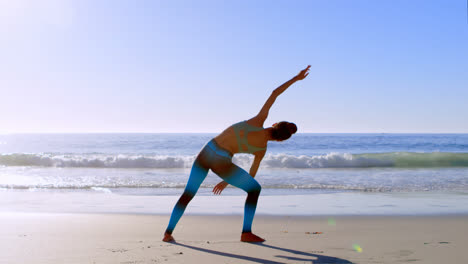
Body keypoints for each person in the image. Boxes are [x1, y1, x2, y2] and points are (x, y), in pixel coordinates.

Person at [163, 65, 311, 243]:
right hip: (221, 163)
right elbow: (252, 175)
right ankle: (246, 233)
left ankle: (168, 233)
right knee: (254, 189)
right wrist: (226, 181)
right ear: (280, 140)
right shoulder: (261, 150)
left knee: (188, 193)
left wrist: (296, 78)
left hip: (207, 151)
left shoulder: (258, 121)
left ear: (274, 124)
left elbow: (274, 93)